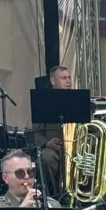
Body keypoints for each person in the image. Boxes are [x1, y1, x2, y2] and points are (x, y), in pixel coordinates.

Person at [34, 65, 72, 197]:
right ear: (53, 81)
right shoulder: (43, 102)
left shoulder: (79, 99)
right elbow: (34, 133)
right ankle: (55, 196)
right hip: (54, 148)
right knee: (47, 158)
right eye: (63, 78)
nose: (68, 81)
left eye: (69, 78)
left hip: (77, 146)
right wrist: (46, 143)